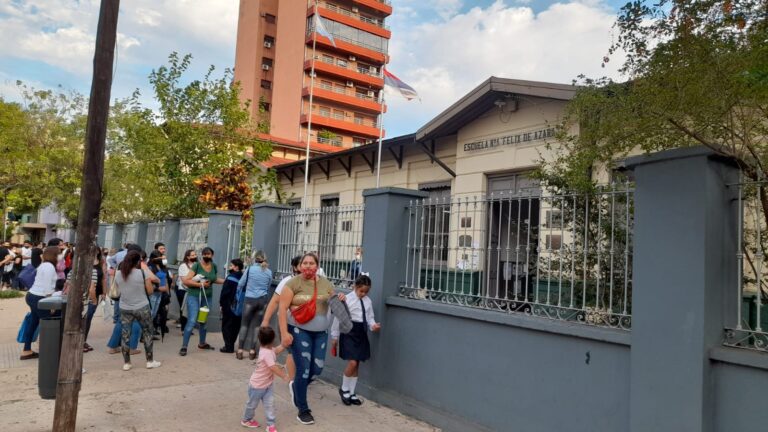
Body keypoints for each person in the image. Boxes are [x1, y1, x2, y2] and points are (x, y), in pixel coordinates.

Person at [278, 252, 336, 425]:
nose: (308, 266)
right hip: (298, 330)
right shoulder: (292, 283)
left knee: (317, 369)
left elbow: (332, 302)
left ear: (317, 266)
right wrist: (284, 333)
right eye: (305, 263)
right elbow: (282, 309)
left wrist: (339, 297)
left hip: (321, 333)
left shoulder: (326, 283)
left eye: (312, 263)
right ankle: (303, 409)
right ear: (299, 266)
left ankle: (296, 385)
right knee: (303, 369)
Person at [331, 274, 381, 406]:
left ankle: (352, 393)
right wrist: (334, 336)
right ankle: (344, 388)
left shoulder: (368, 301)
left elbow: (370, 317)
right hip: (349, 332)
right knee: (352, 363)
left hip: (361, 333)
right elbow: (338, 318)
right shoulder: (346, 299)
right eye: (361, 291)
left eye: (366, 291)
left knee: (357, 363)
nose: (363, 294)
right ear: (355, 287)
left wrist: (373, 325)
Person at [114, 250, 162, 371]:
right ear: (138, 261)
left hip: (125, 307)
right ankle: (150, 361)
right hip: (142, 306)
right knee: (147, 333)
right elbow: (150, 291)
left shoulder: (119, 273)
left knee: (125, 335)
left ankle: (127, 363)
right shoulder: (143, 273)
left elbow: (118, 290)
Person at [261, 255, 302, 380]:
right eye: (302, 264)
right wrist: (266, 321)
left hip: (305, 323)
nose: (306, 266)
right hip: (288, 322)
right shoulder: (287, 282)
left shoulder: (312, 281)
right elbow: (274, 301)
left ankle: (273, 353)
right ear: (295, 267)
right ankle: (292, 380)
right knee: (292, 351)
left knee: (295, 350)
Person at [241, 326, 288, 430]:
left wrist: (284, 345)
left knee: (269, 405)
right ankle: (246, 420)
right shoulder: (266, 353)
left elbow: (276, 350)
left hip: (267, 385)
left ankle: (271, 425)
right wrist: (284, 375)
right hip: (257, 386)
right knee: (252, 404)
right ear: (272, 340)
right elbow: (273, 367)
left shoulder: (268, 349)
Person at [180, 246, 225, 356]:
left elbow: (214, 279)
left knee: (203, 320)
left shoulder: (213, 266)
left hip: (207, 297)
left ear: (212, 255)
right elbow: (185, 281)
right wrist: (200, 284)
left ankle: (202, 343)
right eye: (204, 254)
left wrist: (228, 281)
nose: (206, 256)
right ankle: (184, 347)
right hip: (194, 296)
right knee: (192, 320)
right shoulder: (196, 265)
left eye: (208, 254)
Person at [19, 246, 59, 360]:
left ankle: (27, 350)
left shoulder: (44, 265)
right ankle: (48, 351)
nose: (61, 255)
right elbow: (47, 288)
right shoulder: (49, 267)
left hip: (33, 296)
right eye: (59, 253)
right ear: (54, 255)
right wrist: (51, 304)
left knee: (34, 322)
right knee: (49, 324)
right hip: (39, 298)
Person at [236, 250, 272, 360]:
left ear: (254, 258)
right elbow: (268, 286)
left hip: (249, 300)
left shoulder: (250, 269)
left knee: (244, 325)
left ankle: (240, 350)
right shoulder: (268, 272)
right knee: (257, 326)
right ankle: (252, 351)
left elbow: (240, 283)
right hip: (262, 300)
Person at [219, 258, 244, 353]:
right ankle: (231, 344)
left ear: (236, 267)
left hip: (228, 305)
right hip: (239, 306)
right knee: (236, 326)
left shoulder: (230, 277)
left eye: (231, 265)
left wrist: (221, 304)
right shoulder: (243, 277)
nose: (229, 267)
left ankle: (228, 346)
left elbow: (224, 293)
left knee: (226, 326)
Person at [175, 249, 196, 331]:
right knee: (183, 309)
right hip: (183, 290)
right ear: (188, 257)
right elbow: (184, 280)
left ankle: (189, 327)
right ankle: (184, 329)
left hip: (193, 289)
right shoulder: (183, 266)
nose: (195, 256)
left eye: (195, 255)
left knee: (191, 309)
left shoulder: (196, 265)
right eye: (192, 255)